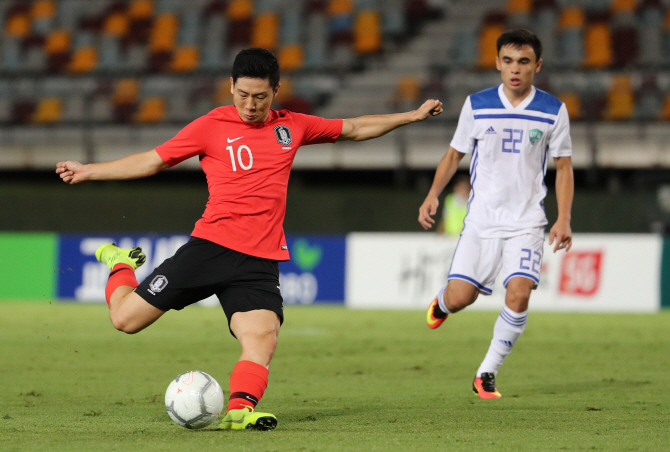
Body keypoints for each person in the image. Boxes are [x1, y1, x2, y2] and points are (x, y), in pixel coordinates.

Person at [57, 48, 443, 430]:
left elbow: (356, 128)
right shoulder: (210, 126)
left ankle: (240, 410)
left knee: (262, 338)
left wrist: (412, 115)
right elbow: (154, 160)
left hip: (258, 259)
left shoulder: (292, 126)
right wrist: (89, 171)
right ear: (230, 87)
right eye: (243, 95)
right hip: (210, 247)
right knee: (125, 320)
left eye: (260, 96)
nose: (251, 105)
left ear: (276, 90)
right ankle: (120, 262)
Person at [418, 29, 573, 399]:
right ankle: (441, 302)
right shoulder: (477, 104)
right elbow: (453, 155)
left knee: (519, 294)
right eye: (507, 61)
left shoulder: (553, 110)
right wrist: (432, 194)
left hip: (527, 223)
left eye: (523, 62)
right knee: (460, 298)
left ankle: (486, 372)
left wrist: (563, 218)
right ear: (497, 64)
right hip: (482, 223)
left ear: (537, 65)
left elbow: (564, 167)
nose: (515, 69)